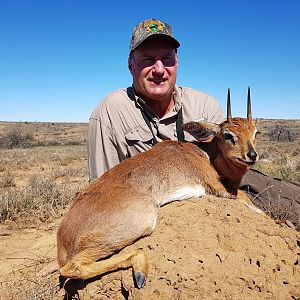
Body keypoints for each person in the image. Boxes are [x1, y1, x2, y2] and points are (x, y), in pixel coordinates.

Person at [88, 18, 300, 226]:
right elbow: (103, 188)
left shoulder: (204, 103)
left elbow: (231, 152)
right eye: (147, 60)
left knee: (287, 196)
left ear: (177, 62)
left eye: (167, 59)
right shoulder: (110, 111)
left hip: (227, 180)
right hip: (162, 192)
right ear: (130, 64)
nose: (159, 69)